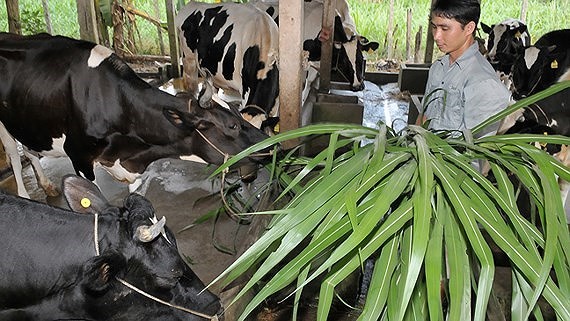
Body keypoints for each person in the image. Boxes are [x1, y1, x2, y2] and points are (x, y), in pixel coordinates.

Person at [418, 0, 511, 137]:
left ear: (469, 28)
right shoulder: (438, 67)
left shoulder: (484, 82)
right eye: (434, 27)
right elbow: (424, 116)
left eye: (444, 29)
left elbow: (479, 147)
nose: (436, 36)